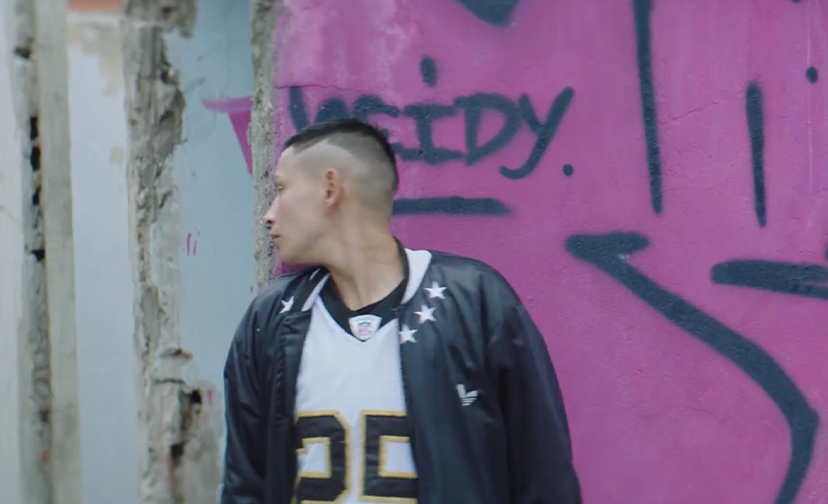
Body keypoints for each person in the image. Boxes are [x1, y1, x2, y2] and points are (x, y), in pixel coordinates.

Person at [219, 118, 582, 504]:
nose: (269, 214)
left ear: (329, 188)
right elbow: (245, 487)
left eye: (281, 190)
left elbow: (545, 479)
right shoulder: (272, 319)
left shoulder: (475, 302)